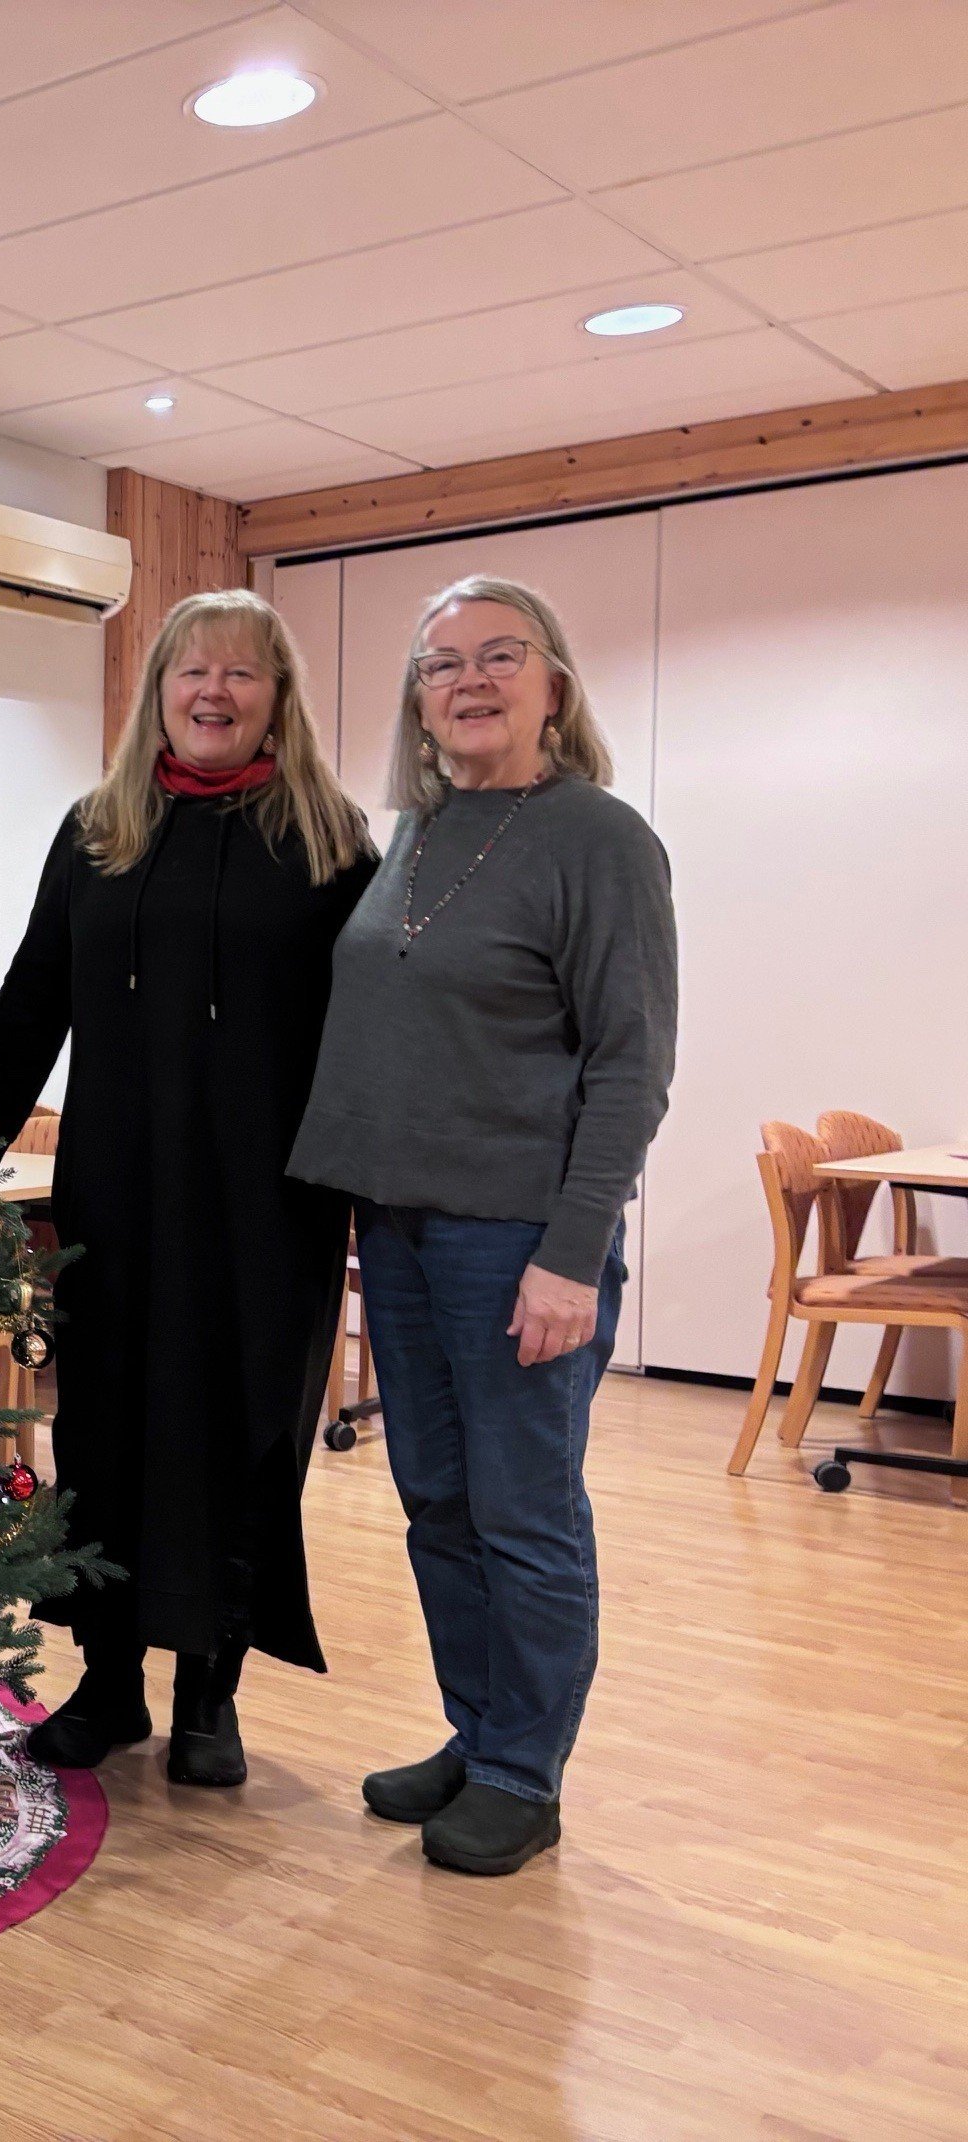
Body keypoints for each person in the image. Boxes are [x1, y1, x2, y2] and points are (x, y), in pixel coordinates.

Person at [291, 575, 676, 1877]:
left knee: (524, 1509)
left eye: (500, 656)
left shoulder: (599, 841)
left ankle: (524, 1771)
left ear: (552, 683)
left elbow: (630, 1065)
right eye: (442, 662)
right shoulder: (415, 833)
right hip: (400, 1230)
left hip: (517, 1238)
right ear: (419, 699)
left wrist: (571, 1254)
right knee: (438, 1502)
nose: (470, 681)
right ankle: (478, 1730)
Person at [0, 589, 375, 1788]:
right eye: (191, 671)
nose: (214, 691)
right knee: (104, 1430)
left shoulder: (330, 841)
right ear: (158, 692)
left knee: (242, 1435)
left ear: (278, 698)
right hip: (116, 1196)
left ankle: (212, 1691)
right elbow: (31, 1001)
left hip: (270, 1207)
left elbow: (371, 1036)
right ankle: (109, 1683)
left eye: (241, 673)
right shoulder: (99, 831)